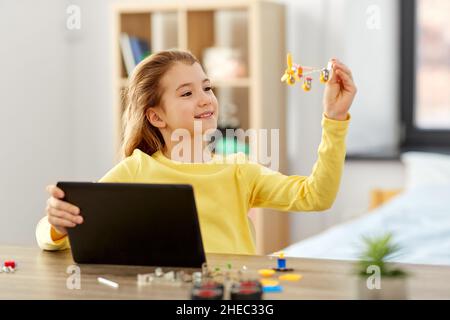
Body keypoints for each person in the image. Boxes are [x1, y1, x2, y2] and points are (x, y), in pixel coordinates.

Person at [36, 49, 357, 255]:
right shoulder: (136, 170)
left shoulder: (238, 170)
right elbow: (59, 233)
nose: (205, 99)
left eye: (207, 87)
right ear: (156, 116)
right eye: (187, 93)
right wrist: (57, 225)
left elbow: (316, 196)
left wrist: (335, 119)